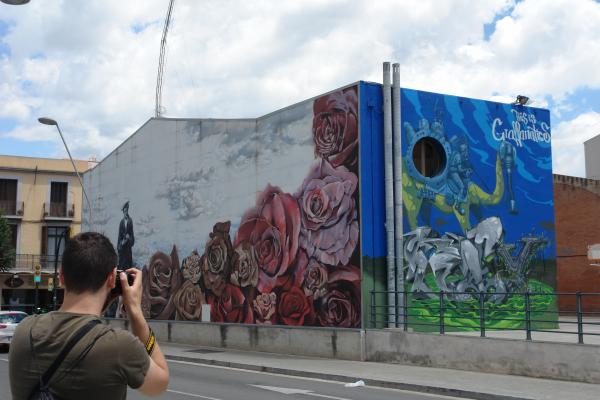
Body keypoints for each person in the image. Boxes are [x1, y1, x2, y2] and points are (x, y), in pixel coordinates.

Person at [8, 232, 169, 399]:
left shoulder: (24, 332)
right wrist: (135, 310)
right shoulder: (120, 346)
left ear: (61, 276)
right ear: (112, 278)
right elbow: (160, 383)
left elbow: (82, 326)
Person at [118, 201, 135, 269]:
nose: (125, 212)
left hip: (128, 249)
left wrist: (129, 238)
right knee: (121, 267)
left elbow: (132, 235)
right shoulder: (121, 222)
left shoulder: (130, 221)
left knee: (128, 267)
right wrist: (120, 244)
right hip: (122, 249)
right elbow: (119, 236)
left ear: (128, 210)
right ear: (123, 211)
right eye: (124, 211)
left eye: (126, 210)